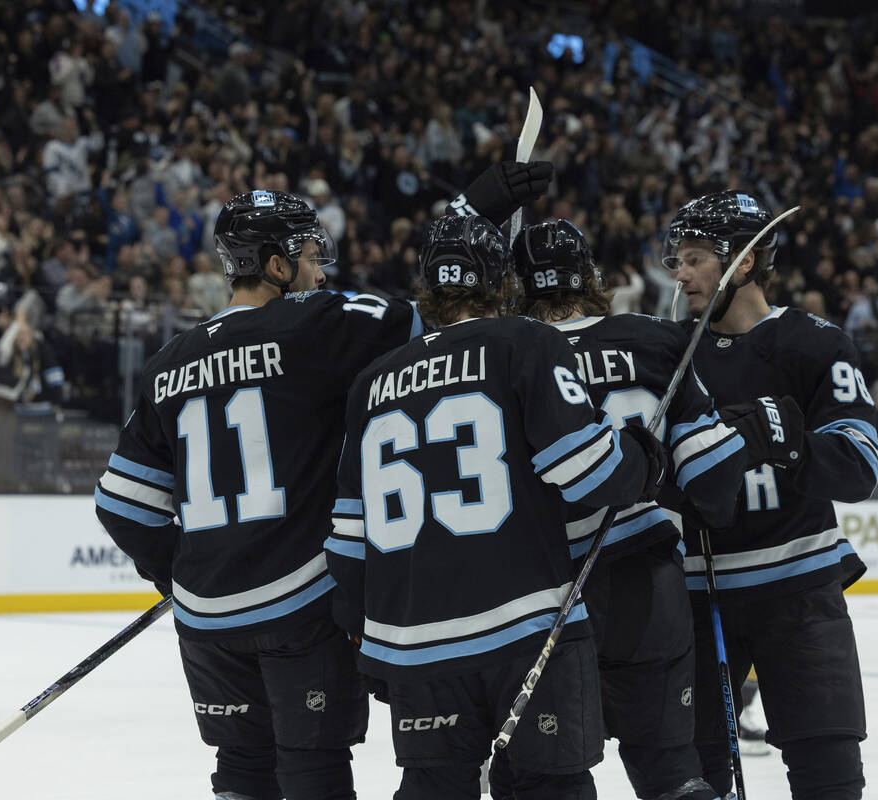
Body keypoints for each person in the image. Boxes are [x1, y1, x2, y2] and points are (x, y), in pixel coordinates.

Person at [94, 189, 426, 800]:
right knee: (311, 764)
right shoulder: (315, 325)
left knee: (243, 767)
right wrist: (468, 211)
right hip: (301, 605)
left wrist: (185, 575)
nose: (320, 271)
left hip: (206, 621)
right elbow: (418, 320)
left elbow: (121, 503)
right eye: (307, 255)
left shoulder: (170, 362)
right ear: (276, 265)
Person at [326, 214, 671, 800]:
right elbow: (589, 473)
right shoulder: (527, 341)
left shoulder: (373, 380)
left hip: (411, 639)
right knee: (550, 787)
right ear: (501, 280)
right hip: (525, 623)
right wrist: (645, 459)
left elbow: (349, 540)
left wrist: (372, 640)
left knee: (433, 787)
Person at [499, 218, 751, 800]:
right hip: (649, 583)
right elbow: (715, 484)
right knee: (671, 773)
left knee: (543, 779)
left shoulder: (505, 355)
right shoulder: (654, 339)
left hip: (545, 593)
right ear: (591, 276)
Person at [664, 190, 878, 800]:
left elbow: (859, 467)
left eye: (695, 258)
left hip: (800, 594)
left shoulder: (815, 342)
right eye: (676, 260)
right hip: (697, 604)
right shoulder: (668, 353)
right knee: (696, 783)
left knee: (830, 778)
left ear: (745, 261)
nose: (680, 274)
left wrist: (788, 442)